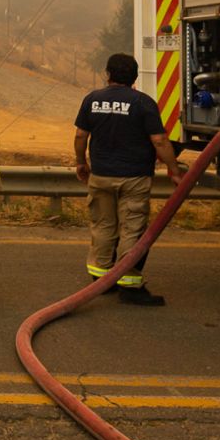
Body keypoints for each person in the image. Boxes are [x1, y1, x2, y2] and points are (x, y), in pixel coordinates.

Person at [73, 52, 180, 307]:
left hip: (101, 176)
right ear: (134, 77)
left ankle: (101, 279)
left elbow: (80, 136)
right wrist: (174, 170)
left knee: (103, 226)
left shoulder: (92, 99)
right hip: (134, 178)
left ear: (108, 74)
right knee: (132, 229)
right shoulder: (143, 102)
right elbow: (159, 140)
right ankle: (129, 284)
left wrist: (81, 162)